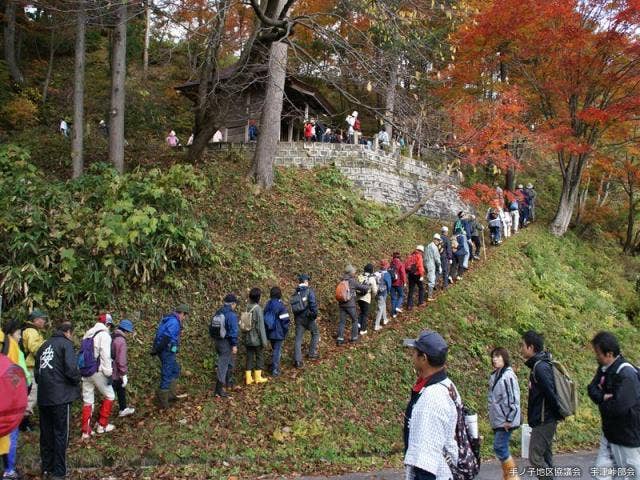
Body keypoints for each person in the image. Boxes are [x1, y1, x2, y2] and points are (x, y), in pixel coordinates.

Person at [403, 330, 459, 480]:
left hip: (436, 473)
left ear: (424, 358)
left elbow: (425, 463)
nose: (412, 356)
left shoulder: (431, 399)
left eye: (414, 352)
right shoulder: (447, 385)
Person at [588, 331, 640, 480]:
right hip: (610, 433)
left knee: (630, 474)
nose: (596, 356)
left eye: (598, 353)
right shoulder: (604, 369)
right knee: (601, 472)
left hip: (626, 435)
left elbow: (619, 407)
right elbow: (591, 388)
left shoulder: (627, 374)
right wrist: (603, 397)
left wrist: (602, 403)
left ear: (609, 354)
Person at [35, 322, 81, 480]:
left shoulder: (43, 346)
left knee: (46, 434)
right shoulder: (66, 345)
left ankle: (46, 468)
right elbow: (71, 370)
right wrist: (77, 380)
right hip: (60, 397)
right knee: (61, 433)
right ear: (68, 332)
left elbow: (36, 374)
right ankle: (59, 472)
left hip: (43, 397)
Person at [521, 331, 562, 479]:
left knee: (535, 458)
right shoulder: (539, 365)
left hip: (544, 421)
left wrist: (556, 414)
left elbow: (550, 393)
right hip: (544, 419)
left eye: (523, 345)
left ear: (531, 347)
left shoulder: (540, 367)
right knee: (546, 458)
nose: (521, 349)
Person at [2, 319, 30, 480]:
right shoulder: (12, 347)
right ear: (12, 333)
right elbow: (15, 375)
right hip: (10, 399)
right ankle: (9, 469)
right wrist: (22, 401)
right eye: (19, 334)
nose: (20, 337)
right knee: (10, 432)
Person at [80, 313, 116, 438]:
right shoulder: (104, 335)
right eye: (110, 325)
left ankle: (86, 431)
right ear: (108, 324)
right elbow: (105, 355)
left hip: (85, 371)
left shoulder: (87, 333)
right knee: (110, 395)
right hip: (97, 370)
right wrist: (109, 372)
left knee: (88, 400)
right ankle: (102, 425)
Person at [488, 347, 522, 480]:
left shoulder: (507, 376)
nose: (495, 359)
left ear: (504, 358)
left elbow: (513, 399)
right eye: (493, 356)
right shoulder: (496, 374)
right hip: (499, 418)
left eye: (498, 356)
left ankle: (513, 477)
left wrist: (510, 419)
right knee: (501, 447)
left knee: (500, 447)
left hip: (506, 420)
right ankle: (508, 476)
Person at [153, 304, 189, 408]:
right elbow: (167, 337)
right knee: (167, 374)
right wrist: (163, 349)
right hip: (166, 351)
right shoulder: (174, 322)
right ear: (181, 313)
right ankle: (162, 401)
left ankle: (171, 395)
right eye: (185, 315)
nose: (185, 317)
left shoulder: (170, 319)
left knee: (175, 370)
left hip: (167, 350)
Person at [21, 309, 48, 430]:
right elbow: (34, 349)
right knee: (32, 395)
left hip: (28, 367)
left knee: (29, 395)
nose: (44, 321)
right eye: (42, 319)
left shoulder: (31, 330)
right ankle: (23, 422)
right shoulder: (31, 331)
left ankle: (23, 421)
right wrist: (46, 345)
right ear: (35, 320)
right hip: (29, 368)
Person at [210, 294, 239, 398]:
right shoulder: (231, 315)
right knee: (223, 365)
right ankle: (219, 390)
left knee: (229, 363)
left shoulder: (218, 312)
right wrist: (234, 344)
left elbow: (211, 328)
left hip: (217, 341)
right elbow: (233, 331)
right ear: (233, 304)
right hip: (226, 343)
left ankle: (229, 384)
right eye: (235, 304)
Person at [336, 265, 369, 345]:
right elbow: (363, 288)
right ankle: (354, 338)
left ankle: (340, 339)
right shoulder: (352, 281)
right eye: (354, 272)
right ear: (351, 272)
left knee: (342, 322)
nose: (355, 273)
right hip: (350, 305)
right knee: (355, 320)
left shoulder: (342, 279)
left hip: (341, 304)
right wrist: (368, 286)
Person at [292, 274, 319, 368]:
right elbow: (313, 304)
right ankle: (312, 353)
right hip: (308, 318)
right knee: (315, 333)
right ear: (305, 281)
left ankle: (297, 361)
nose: (308, 282)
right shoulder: (309, 291)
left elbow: (294, 308)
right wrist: (314, 315)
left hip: (298, 320)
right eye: (308, 281)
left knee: (298, 339)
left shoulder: (295, 292)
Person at [243, 287, 268, 385]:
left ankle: (248, 379)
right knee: (259, 356)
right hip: (256, 339)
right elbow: (260, 327)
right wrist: (264, 341)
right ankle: (258, 377)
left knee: (249, 357)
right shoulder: (258, 309)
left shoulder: (247, 307)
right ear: (258, 297)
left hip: (248, 338)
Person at [264, 287, 290, 376]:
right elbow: (285, 320)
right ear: (279, 294)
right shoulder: (281, 306)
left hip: (269, 332)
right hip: (278, 333)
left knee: (274, 349)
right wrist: (285, 331)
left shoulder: (268, 304)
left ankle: (273, 367)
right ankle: (275, 370)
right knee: (277, 351)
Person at [111, 319, 135, 417]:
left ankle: (123, 408)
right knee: (111, 393)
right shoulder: (121, 341)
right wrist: (123, 373)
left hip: (109, 369)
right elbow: (121, 360)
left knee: (120, 388)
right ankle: (103, 419)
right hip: (115, 371)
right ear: (126, 331)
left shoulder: (112, 336)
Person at [357, 263, 378, 335]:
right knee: (365, 313)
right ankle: (363, 329)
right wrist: (372, 297)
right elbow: (375, 290)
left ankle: (358, 324)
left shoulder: (360, 276)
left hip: (359, 297)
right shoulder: (372, 278)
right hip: (366, 298)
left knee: (361, 312)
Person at [374, 260, 392, 331]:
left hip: (376, 292)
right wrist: (389, 291)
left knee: (383, 305)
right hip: (383, 292)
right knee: (380, 308)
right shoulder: (386, 274)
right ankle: (376, 325)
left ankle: (385, 319)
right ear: (386, 266)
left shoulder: (376, 273)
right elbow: (389, 284)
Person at [389, 252, 407, 318]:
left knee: (393, 298)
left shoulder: (391, 263)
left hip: (392, 283)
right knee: (401, 295)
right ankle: (397, 306)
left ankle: (394, 314)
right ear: (399, 257)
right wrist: (404, 282)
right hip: (399, 283)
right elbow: (403, 273)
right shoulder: (400, 263)